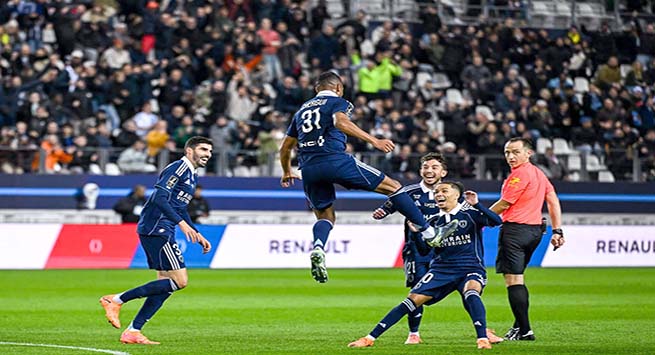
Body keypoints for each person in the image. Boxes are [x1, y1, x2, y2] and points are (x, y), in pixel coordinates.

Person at [279, 71, 451, 283]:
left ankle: (318, 248)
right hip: (335, 160)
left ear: (316, 89)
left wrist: (287, 171)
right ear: (338, 88)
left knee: (326, 216)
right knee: (394, 187)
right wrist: (374, 141)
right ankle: (428, 232)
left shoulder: (301, 110)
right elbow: (340, 122)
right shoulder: (338, 102)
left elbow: (285, 147)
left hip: (308, 168)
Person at [348, 181, 503, 350]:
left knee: (471, 292)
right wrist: (418, 234)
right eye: (436, 192)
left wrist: (477, 204)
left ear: (457, 195)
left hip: (470, 267)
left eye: (444, 191)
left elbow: (496, 221)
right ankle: (369, 338)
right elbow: (424, 250)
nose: (438, 194)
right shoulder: (433, 221)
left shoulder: (470, 214)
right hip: (441, 270)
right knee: (411, 301)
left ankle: (482, 339)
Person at [99, 136, 213, 345]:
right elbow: (159, 197)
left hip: (163, 228)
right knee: (180, 281)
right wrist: (181, 224)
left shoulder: (192, 174)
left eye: (210, 151)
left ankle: (133, 331)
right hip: (156, 228)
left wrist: (196, 232)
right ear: (189, 151)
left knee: (165, 284)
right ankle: (115, 300)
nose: (208, 154)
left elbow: (179, 208)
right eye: (204, 149)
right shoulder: (177, 168)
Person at [490, 137, 564, 341]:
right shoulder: (539, 174)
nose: (510, 157)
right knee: (519, 279)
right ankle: (518, 326)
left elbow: (505, 203)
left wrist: (478, 216)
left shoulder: (520, 175)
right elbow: (553, 200)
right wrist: (557, 230)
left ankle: (525, 330)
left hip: (515, 231)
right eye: (507, 153)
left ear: (528, 153)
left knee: (513, 281)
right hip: (534, 232)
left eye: (515, 152)